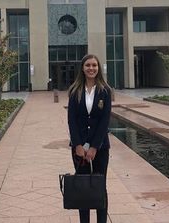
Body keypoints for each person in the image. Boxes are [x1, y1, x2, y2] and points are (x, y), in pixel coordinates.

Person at [67, 54, 112, 223]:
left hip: (100, 147)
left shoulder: (105, 91)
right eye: (88, 65)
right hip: (78, 147)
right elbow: (72, 120)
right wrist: (78, 145)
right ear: (82, 68)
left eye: (94, 65)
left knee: (100, 185)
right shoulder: (74, 90)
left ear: (98, 68)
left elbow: (104, 120)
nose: (91, 68)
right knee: (82, 186)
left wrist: (94, 147)